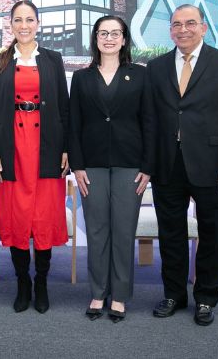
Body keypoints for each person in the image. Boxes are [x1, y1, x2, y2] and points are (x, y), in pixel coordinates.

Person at [145, 4, 218, 326]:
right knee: (171, 234)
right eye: (176, 24)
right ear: (170, 30)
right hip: (168, 165)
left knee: (213, 234)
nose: (183, 29)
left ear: (203, 27)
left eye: (190, 23)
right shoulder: (156, 66)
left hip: (214, 165)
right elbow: (150, 119)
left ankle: (206, 299)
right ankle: (174, 294)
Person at [0, 0, 70, 314]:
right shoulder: (0, 61)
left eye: (30, 19)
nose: (24, 25)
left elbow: (64, 106)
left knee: (44, 217)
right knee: (18, 217)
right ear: (10, 24)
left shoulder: (53, 59)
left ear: (38, 23)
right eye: (18, 20)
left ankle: (43, 283)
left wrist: (67, 149)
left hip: (47, 146)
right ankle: (23, 283)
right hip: (12, 149)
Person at [69, 16, 151, 323]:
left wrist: (149, 167)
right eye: (103, 33)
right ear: (95, 39)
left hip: (131, 165)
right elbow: (74, 125)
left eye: (115, 33)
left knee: (123, 231)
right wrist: (76, 165)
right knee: (97, 230)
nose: (109, 38)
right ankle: (97, 292)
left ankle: (119, 296)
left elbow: (150, 122)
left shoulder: (140, 76)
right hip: (91, 166)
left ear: (125, 39)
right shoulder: (81, 78)